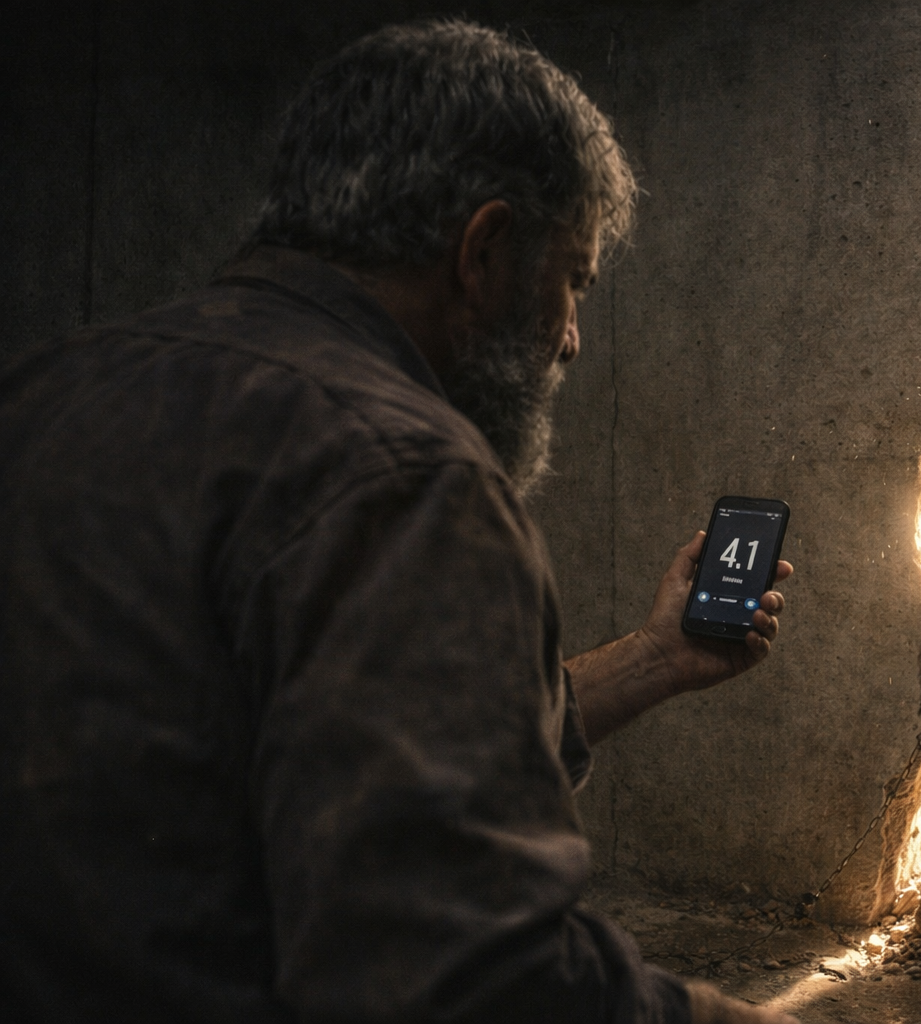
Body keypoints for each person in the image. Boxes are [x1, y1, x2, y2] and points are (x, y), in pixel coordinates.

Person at [0, 20, 796, 1024]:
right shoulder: (401, 476)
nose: (572, 340)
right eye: (573, 281)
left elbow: (323, 735)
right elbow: (474, 982)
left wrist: (654, 657)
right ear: (486, 250)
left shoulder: (41, 391)